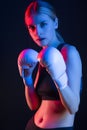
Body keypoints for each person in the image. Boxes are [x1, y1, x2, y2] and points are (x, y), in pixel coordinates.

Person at [17, 0, 82, 130]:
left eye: (43, 24)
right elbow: (34, 106)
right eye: (32, 27)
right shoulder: (41, 56)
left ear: (55, 23)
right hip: (32, 125)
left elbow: (73, 108)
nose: (38, 32)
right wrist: (27, 79)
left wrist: (60, 79)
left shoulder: (69, 52)